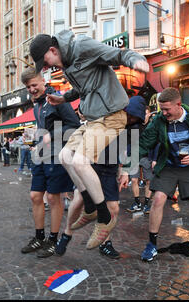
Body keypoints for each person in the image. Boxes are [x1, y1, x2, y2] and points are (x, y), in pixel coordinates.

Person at [29, 30, 149, 249]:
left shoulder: (82, 46)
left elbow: (118, 54)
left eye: (45, 62)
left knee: (79, 161)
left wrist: (136, 60)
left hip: (110, 117)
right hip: (94, 120)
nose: (46, 68)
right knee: (66, 155)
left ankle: (104, 218)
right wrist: (64, 97)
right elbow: (83, 88)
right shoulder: (68, 62)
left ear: (53, 50)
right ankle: (92, 208)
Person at [55, 96, 146, 258]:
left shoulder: (134, 127)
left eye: (134, 118)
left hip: (109, 169)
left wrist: (125, 171)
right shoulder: (108, 117)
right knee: (78, 202)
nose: (129, 119)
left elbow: (130, 149)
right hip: (90, 165)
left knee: (113, 208)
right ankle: (67, 234)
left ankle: (105, 243)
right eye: (129, 115)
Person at [138, 88, 189, 262]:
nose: (163, 113)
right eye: (161, 109)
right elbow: (145, 143)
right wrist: (126, 165)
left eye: (167, 109)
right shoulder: (159, 120)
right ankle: (151, 244)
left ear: (178, 105)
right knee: (157, 199)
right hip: (168, 166)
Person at [20, 68, 80, 258]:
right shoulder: (37, 104)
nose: (31, 89)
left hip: (57, 155)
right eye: (28, 86)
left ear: (43, 81)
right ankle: (39, 237)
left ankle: (53, 241)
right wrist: (32, 137)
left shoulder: (57, 98)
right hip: (40, 155)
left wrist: (51, 137)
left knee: (54, 198)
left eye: (34, 85)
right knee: (35, 196)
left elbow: (74, 125)